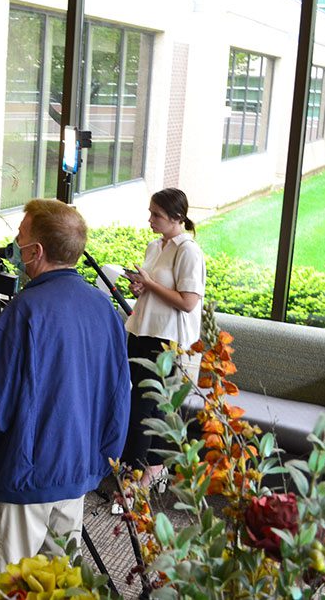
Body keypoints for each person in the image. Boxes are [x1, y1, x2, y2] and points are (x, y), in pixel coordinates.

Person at [0, 198, 130, 589]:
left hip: (22, 476)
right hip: (75, 473)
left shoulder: (25, 310)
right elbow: (118, 394)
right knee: (59, 586)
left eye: (20, 237)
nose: (16, 244)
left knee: (5, 588)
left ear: (36, 251)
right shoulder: (103, 306)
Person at [121, 187, 206, 490]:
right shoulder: (154, 246)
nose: (150, 219)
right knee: (141, 405)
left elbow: (188, 302)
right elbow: (153, 289)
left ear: (177, 217)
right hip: (141, 330)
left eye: (156, 215)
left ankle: (133, 479)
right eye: (150, 213)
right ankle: (151, 470)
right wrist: (140, 288)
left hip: (166, 341)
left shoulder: (188, 251)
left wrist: (150, 284)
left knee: (146, 409)